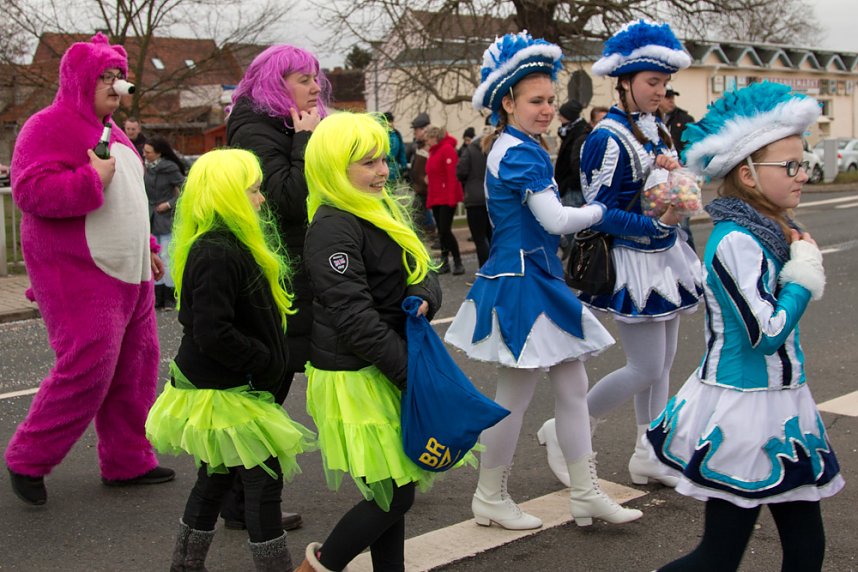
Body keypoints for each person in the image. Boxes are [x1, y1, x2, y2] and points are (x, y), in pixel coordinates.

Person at [445, 31, 641, 530]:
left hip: (536, 279)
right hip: (522, 285)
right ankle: (490, 495)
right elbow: (555, 220)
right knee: (514, 399)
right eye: (536, 100)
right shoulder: (519, 152)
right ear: (506, 101)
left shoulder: (519, 145)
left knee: (572, 389)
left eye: (551, 99)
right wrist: (606, 210)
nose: (547, 108)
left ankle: (584, 492)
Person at [648, 81, 844, 571]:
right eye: (791, 165)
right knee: (718, 556)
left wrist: (797, 257)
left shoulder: (772, 229)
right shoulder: (736, 240)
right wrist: (803, 274)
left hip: (782, 400)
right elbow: (766, 334)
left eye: (803, 163)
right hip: (745, 409)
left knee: (805, 545)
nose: (803, 174)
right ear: (749, 174)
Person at [5, 33, 174, 506]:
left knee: (136, 368)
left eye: (118, 76)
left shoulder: (117, 133)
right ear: (80, 78)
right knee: (89, 367)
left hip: (131, 272)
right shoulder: (47, 126)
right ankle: (29, 457)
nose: (116, 84)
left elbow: (131, 201)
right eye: (105, 76)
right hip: (80, 273)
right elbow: (31, 192)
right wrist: (88, 180)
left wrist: (146, 246)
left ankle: (128, 460)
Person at [538, 19, 703, 489]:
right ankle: (564, 427)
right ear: (625, 82)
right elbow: (600, 213)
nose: (660, 91)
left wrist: (675, 185)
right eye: (652, 82)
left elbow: (656, 192)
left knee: (664, 363)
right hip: (633, 262)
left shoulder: (655, 129)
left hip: (664, 256)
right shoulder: (607, 138)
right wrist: (654, 224)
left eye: (664, 83)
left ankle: (649, 452)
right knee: (646, 366)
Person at [145, 149, 316, 571]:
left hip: (228, 385)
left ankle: (186, 564)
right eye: (253, 190)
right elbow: (210, 330)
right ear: (226, 195)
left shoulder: (227, 242)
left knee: (217, 476)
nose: (261, 199)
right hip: (224, 388)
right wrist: (262, 360)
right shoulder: (217, 250)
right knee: (262, 482)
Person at [298, 111, 451, 572]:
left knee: (392, 489)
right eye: (367, 162)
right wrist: (411, 377)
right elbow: (354, 318)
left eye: (383, 158)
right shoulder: (331, 226)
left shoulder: (378, 208)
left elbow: (424, 272)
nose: (382, 171)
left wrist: (423, 297)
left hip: (383, 365)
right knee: (392, 493)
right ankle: (316, 567)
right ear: (332, 167)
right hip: (354, 375)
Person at [224, 43, 328, 532]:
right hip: (278, 271)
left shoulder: (285, 125)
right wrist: (306, 141)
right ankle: (247, 505)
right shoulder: (253, 127)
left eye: (315, 78)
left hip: (300, 265)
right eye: (303, 78)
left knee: (271, 383)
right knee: (268, 384)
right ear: (274, 82)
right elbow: (286, 197)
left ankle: (236, 500)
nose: (315, 87)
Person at [143, 136, 186, 309]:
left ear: (159, 153)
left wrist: (169, 204)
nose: (144, 154)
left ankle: (170, 296)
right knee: (153, 257)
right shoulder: (145, 168)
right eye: (144, 151)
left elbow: (185, 189)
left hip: (166, 218)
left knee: (167, 257)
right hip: (150, 218)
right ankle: (156, 295)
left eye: (148, 152)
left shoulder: (169, 168)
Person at [659, 84, 698, 251]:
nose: (671, 101)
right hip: (659, 182)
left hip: (681, 178)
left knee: (683, 225)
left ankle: (691, 262)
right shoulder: (650, 119)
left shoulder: (684, 119)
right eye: (667, 97)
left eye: (672, 97)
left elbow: (694, 146)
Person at [424, 125, 465, 275]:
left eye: (428, 138)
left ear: (435, 137)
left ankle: (458, 261)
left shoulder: (447, 149)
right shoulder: (433, 152)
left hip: (446, 198)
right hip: (436, 196)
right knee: (441, 232)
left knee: (445, 230)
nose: (426, 141)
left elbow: (452, 176)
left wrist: (451, 198)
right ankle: (445, 261)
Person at [456, 128, 492, 269]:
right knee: (491, 236)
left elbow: (461, 172)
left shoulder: (470, 150)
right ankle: (495, 268)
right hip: (491, 197)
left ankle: (484, 269)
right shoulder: (494, 149)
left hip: (475, 199)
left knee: (479, 238)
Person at [554, 100, 589, 208]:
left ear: (569, 116)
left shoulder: (579, 133)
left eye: (561, 115)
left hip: (573, 188)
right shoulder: (570, 130)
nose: (559, 117)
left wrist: (570, 183)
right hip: (568, 185)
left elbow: (576, 162)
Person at [409, 112, 436, 243]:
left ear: (424, 129)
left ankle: (434, 236)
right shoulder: (419, 146)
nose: (414, 132)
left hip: (426, 190)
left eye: (416, 129)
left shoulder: (431, 147)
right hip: (418, 189)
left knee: (424, 216)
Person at [383, 111, 408, 185]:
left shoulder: (397, 134)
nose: (390, 124)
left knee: (393, 192)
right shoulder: (381, 134)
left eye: (391, 121)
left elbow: (402, 151)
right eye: (388, 121)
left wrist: (404, 167)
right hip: (384, 167)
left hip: (395, 169)